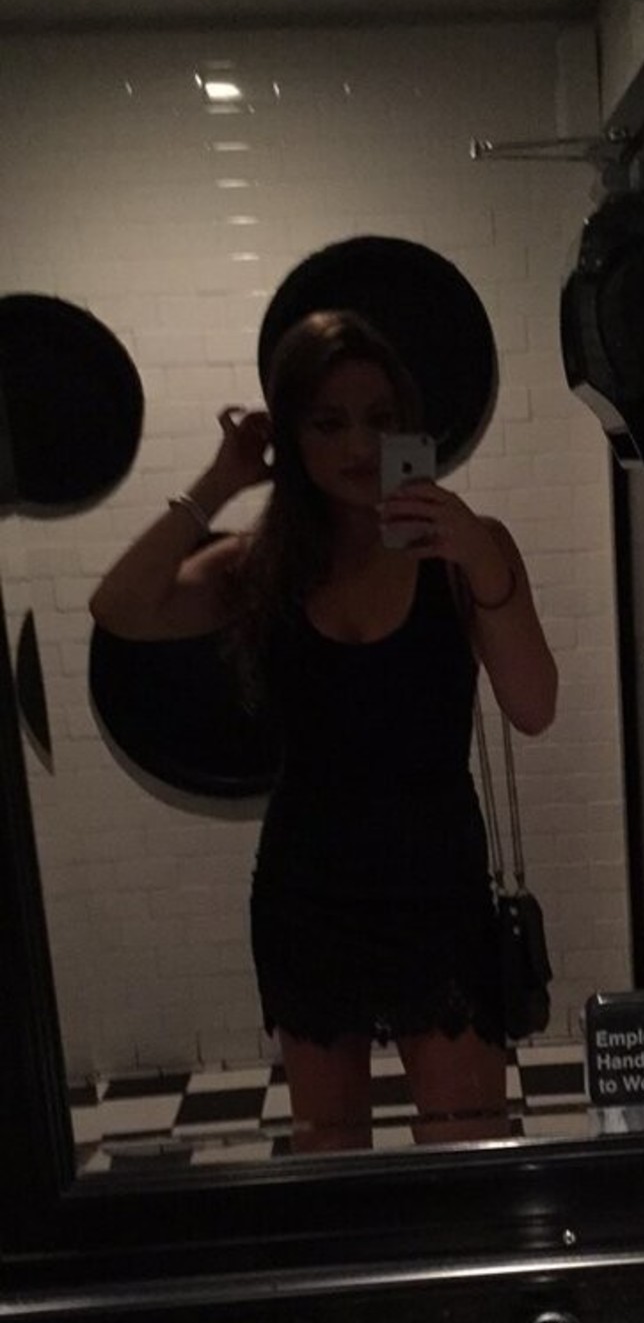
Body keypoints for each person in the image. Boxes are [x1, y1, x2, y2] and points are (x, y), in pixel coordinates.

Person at [89, 310, 558, 1151]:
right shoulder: (259, 565)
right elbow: (120, 607)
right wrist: (221, 481)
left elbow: (534, 706)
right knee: (330, 1159)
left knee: (467, 1149)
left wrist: (484, 563)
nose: (359, 444)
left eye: (380, 417)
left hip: (438, 888)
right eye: (328, 421)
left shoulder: (467, 551)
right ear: (291, 435)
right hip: (309, 894)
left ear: (409, 425)